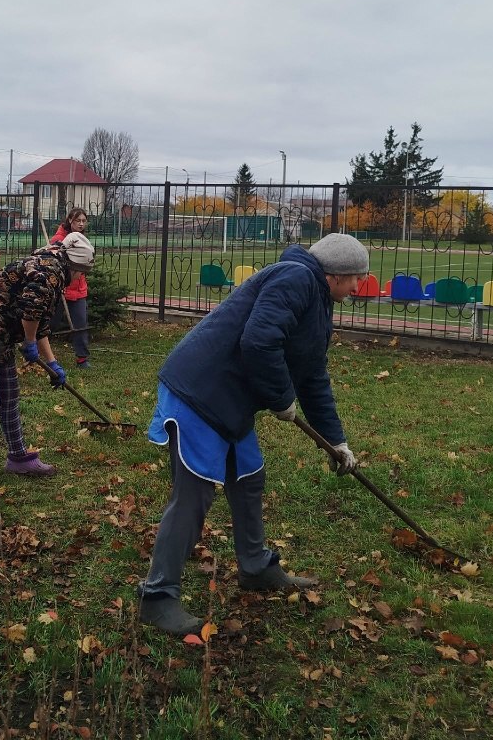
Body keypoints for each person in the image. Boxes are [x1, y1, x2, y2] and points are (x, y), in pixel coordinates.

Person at [137, 233, 369, 635]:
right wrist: (280, 398)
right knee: (194, 495)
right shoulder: (295, 279)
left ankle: (255, 567)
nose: (358, 287)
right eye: (356, 279)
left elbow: (313, 374)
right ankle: (157, 597)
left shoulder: (318, 299)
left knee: (247, 479)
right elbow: (260, 341)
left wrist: (336, 441)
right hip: (200, 393)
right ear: (337, 274)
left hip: (232, 402)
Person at [0, 232, 95, 502]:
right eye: (81, 273)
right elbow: (31, 313)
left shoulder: (50, 266)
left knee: (10, 397)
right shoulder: (49, 273)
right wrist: (28, 342)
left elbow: (40, 321)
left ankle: (18, 457)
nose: (79, 278)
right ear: (74, 267)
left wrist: (52, 362)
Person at [49, 208, 92, 368]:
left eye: (83, 221)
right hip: (61, 290)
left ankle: (82, 359)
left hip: (79, 289)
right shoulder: (59, 239)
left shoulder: (83, 239)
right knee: (50, 324)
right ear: (70, 221)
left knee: (80, 323)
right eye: (77, 221)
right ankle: (34, 352)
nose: (81, 224)